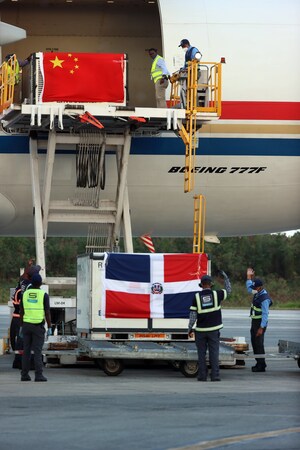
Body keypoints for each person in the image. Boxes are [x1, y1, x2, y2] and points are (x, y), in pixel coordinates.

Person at [188, 271, 231, 381]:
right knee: (214, 353)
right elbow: (228, 291)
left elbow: (193, 315)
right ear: (211, 284)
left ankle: (202, 376)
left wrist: (190, 328)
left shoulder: (196, 297)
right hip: (213, 330)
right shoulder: (217, 294)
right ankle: (215, 376)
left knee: (201, 354)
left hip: (200, 331)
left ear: (201, 285)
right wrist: (226, 278)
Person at [19, 273, 52, 382]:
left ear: (31, 282)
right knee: (37, 351)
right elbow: (47, 312)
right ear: (41, 284)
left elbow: (21, 311)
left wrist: (21, 326)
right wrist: (50, 327)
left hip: (26, 326)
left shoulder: (25, 294)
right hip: (38, 326)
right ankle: (38, 375)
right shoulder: (44, 295)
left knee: (26, 351)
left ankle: (24, 375)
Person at [246, 268, 272, 372]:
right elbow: (249, 289)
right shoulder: (257, 292)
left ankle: (261, 365)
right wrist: (249, 277)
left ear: (260, 287)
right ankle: (258, 362)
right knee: (254, 342)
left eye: (255, 287)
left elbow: (265, 314)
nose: (254, 289)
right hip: (255, 322)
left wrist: (261, 328)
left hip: (260, 324)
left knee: (259, 344)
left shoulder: (264, 298)